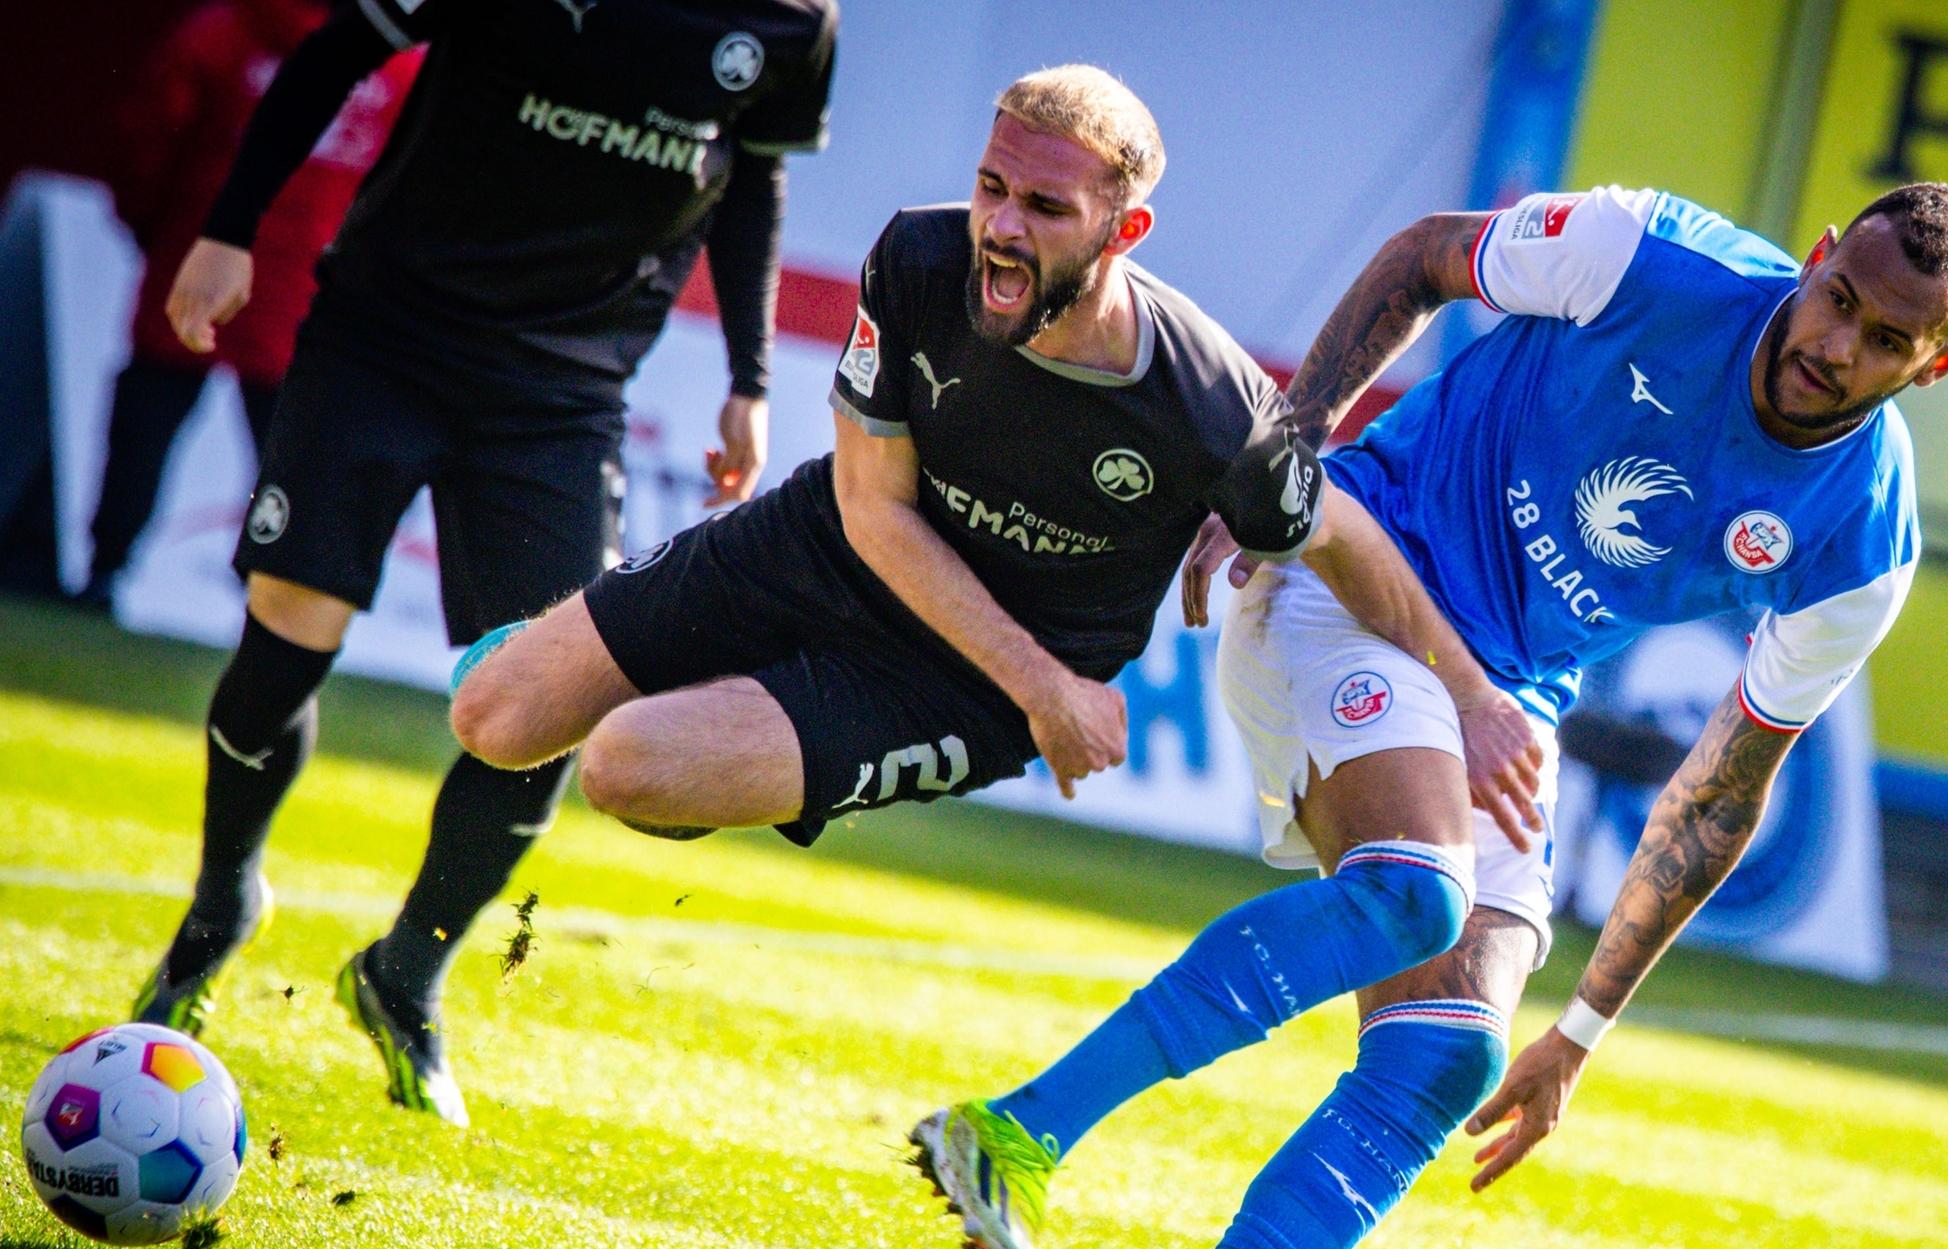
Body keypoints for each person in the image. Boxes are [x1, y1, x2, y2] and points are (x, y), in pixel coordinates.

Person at [913, 181, 1948, 1249]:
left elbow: (1721, 791)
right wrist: (1280, 461)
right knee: (1414, 891)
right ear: (1817, 257)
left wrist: (1580, 1030)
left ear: (1938, 365)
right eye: (1838, 300)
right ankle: (1018, 1130)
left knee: (1449, 1049)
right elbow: (1423, 256)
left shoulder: (1863, 541)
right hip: (1352, 570)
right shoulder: (1646, 255)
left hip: (1503, 695)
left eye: (1888, 341)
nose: (1837, 345)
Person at [446, 67, 1538, 928]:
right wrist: (1050, 690)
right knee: (491, 719)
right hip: (833, 548)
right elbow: (873, 506)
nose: (1002, 227)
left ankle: (730, 716)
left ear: (1123, 230)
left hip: (956, 687)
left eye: (1046, 207)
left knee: (625, 764)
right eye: (992, 188)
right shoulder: (918, 257)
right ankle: (677, 685)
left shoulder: (1212, 409)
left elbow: (1344, 539)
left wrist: (1477, 699)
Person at [130, 0, 839, 1129]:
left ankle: (405, 972)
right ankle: (219, 907)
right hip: (382, 338)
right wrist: (229, 229)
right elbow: (338, 49)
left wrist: (750, 377)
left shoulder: (794, 23)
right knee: (289, 630)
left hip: (562, 395)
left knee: (554, 700)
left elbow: (754, 176)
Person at [83, 0, 418, 609]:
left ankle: (105, 568)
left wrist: (156, 230)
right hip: (311, 291)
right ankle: (271, 604)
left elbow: (145, 143)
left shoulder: (222, 32)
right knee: (295, 460)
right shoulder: (401, 62)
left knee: (146, 425)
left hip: (199, 263)